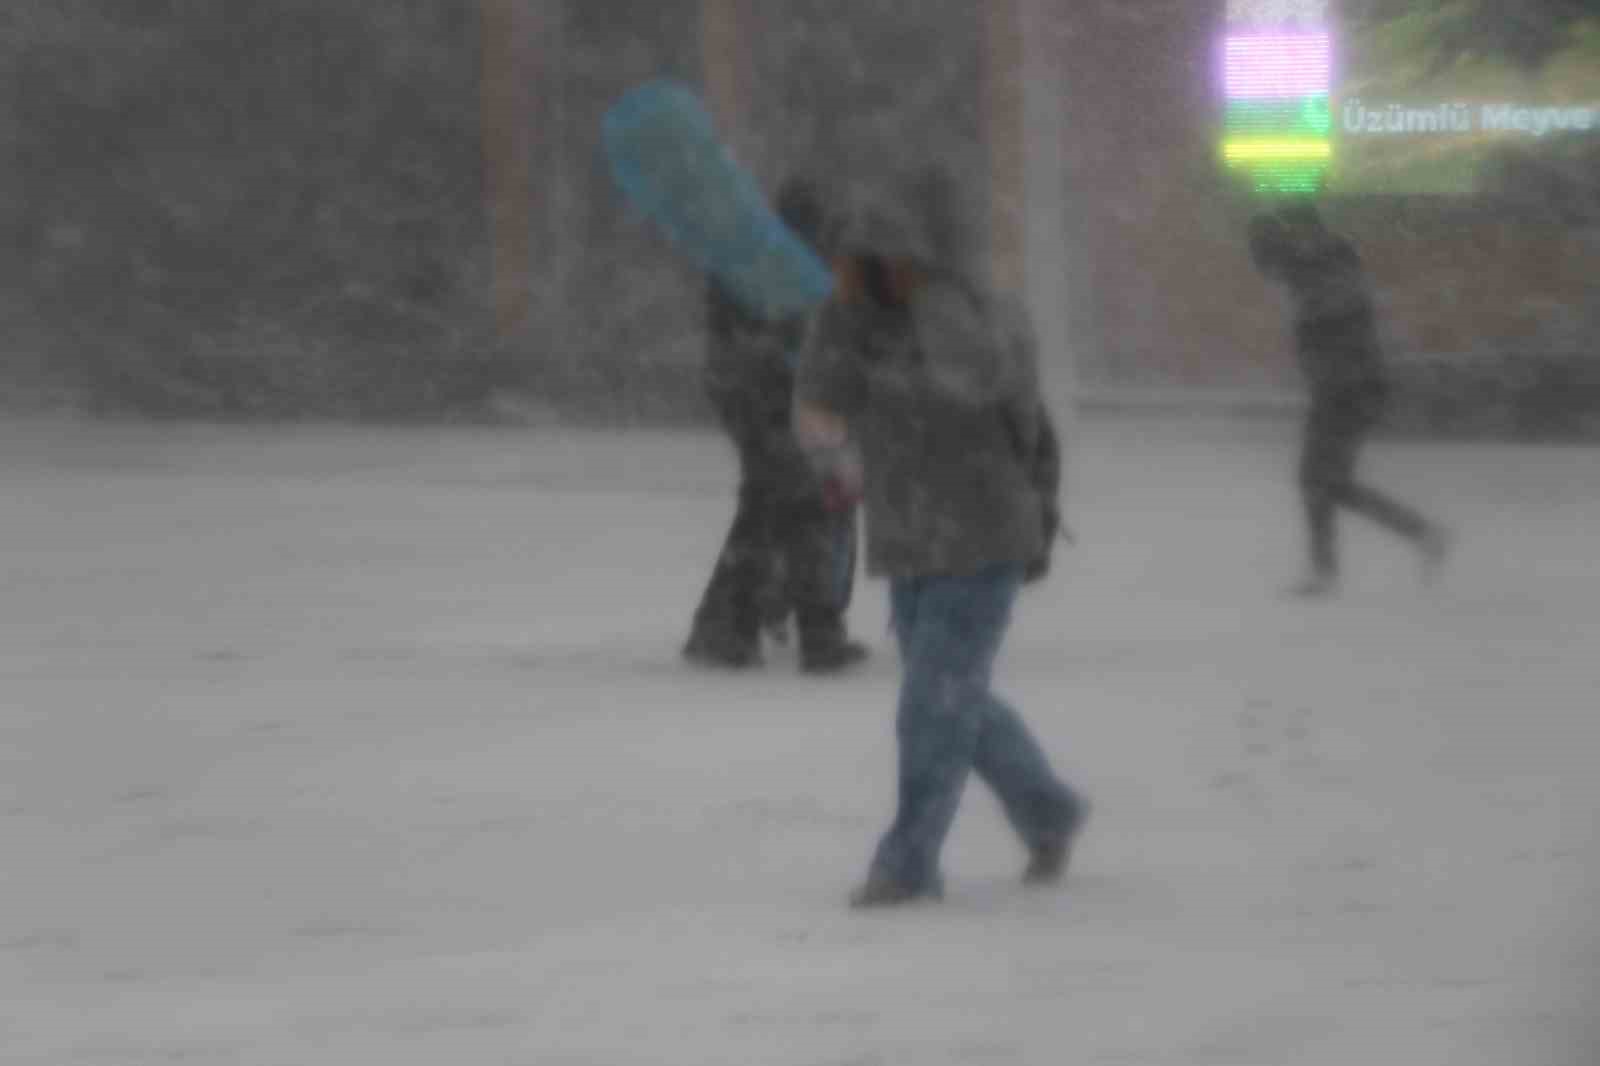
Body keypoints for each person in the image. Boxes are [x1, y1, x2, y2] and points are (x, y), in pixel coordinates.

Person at [793, 167, 1088, 907]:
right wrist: (829, 444)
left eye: (894, 249)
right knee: (953, 698)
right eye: (865, 251)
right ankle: (1048, 809)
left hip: (985, 531)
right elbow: (821, 404)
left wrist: (930, 300)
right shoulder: (848, 319)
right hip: (908, 534)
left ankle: (908, 862)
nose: (879, 263)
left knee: (933, 701)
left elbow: (987, 386)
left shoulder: (976, 313)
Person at [682, 177, 869, 673]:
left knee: (769, 507)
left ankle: (727, 627)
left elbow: (735, 338)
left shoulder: (752, 259)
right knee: (802, 506)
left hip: (754, 401)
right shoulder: (781, 268)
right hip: (772, 402)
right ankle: (813, 632)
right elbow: (783, 339)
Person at [1248, 199, 1452, 598]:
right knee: (1329, 483)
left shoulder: (1322, 271)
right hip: (1344, 387)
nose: (1269, 273)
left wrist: (1331, 376)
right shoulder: (1317, 269)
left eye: (1267, 259)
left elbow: (1336, 323)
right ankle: (1421, 535)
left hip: (1347, 389)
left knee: (1318, 481)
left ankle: (1333, 569)